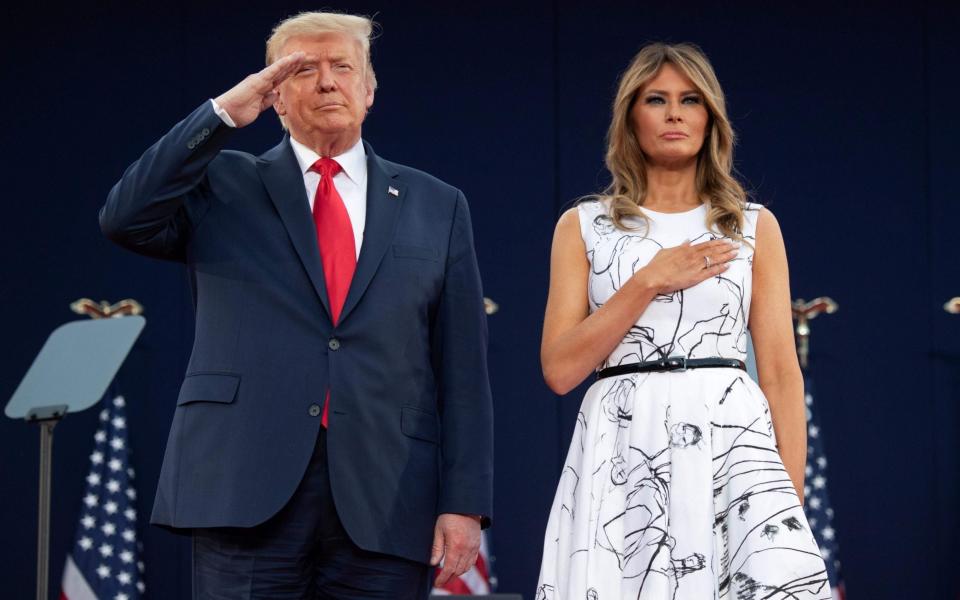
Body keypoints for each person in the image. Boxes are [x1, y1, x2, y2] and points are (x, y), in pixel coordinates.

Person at [100, 11, 492, 599]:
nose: (328, 82)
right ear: (275, 94)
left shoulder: (437, 204)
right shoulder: (221, 184)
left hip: (386, 495)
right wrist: (222, 116)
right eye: (305, 69)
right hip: (244, 484)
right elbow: (124, 217)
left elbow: (462, 369)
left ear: (369, 90)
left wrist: (464, 503)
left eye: (343, 67)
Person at [536, 43, 831, 599]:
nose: (674, 113)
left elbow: (780, 375)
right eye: (657, 99)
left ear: (710, 119)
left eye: (690, 100)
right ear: (631, 118)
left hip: (733, 450)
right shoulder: (581, 227)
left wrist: (783, 504)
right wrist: (648, 280)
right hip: (623, 450)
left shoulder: (752, 226)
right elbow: (559, 369)